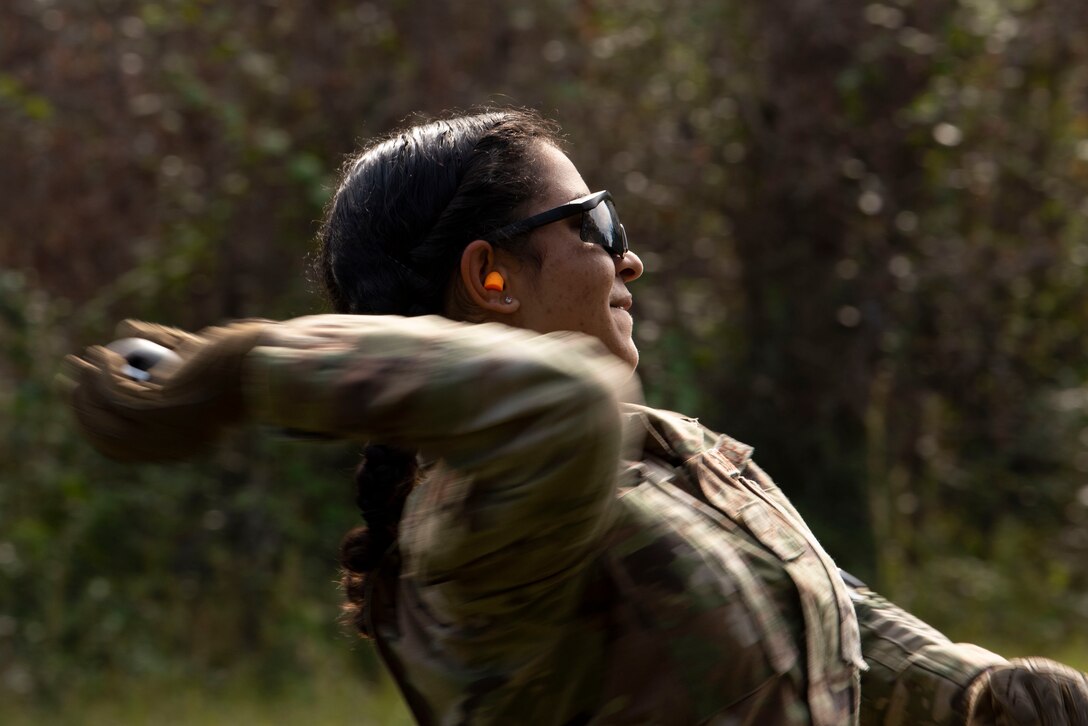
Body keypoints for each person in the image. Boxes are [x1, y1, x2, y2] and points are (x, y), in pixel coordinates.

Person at [65, 109, 1088, 725]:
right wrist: (242, 371)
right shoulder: (477, 517)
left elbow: (836, 626)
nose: (629, 257)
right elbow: (550, 402)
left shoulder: (676, 454)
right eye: (598, 226)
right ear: (491, 274)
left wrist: (986, 696)